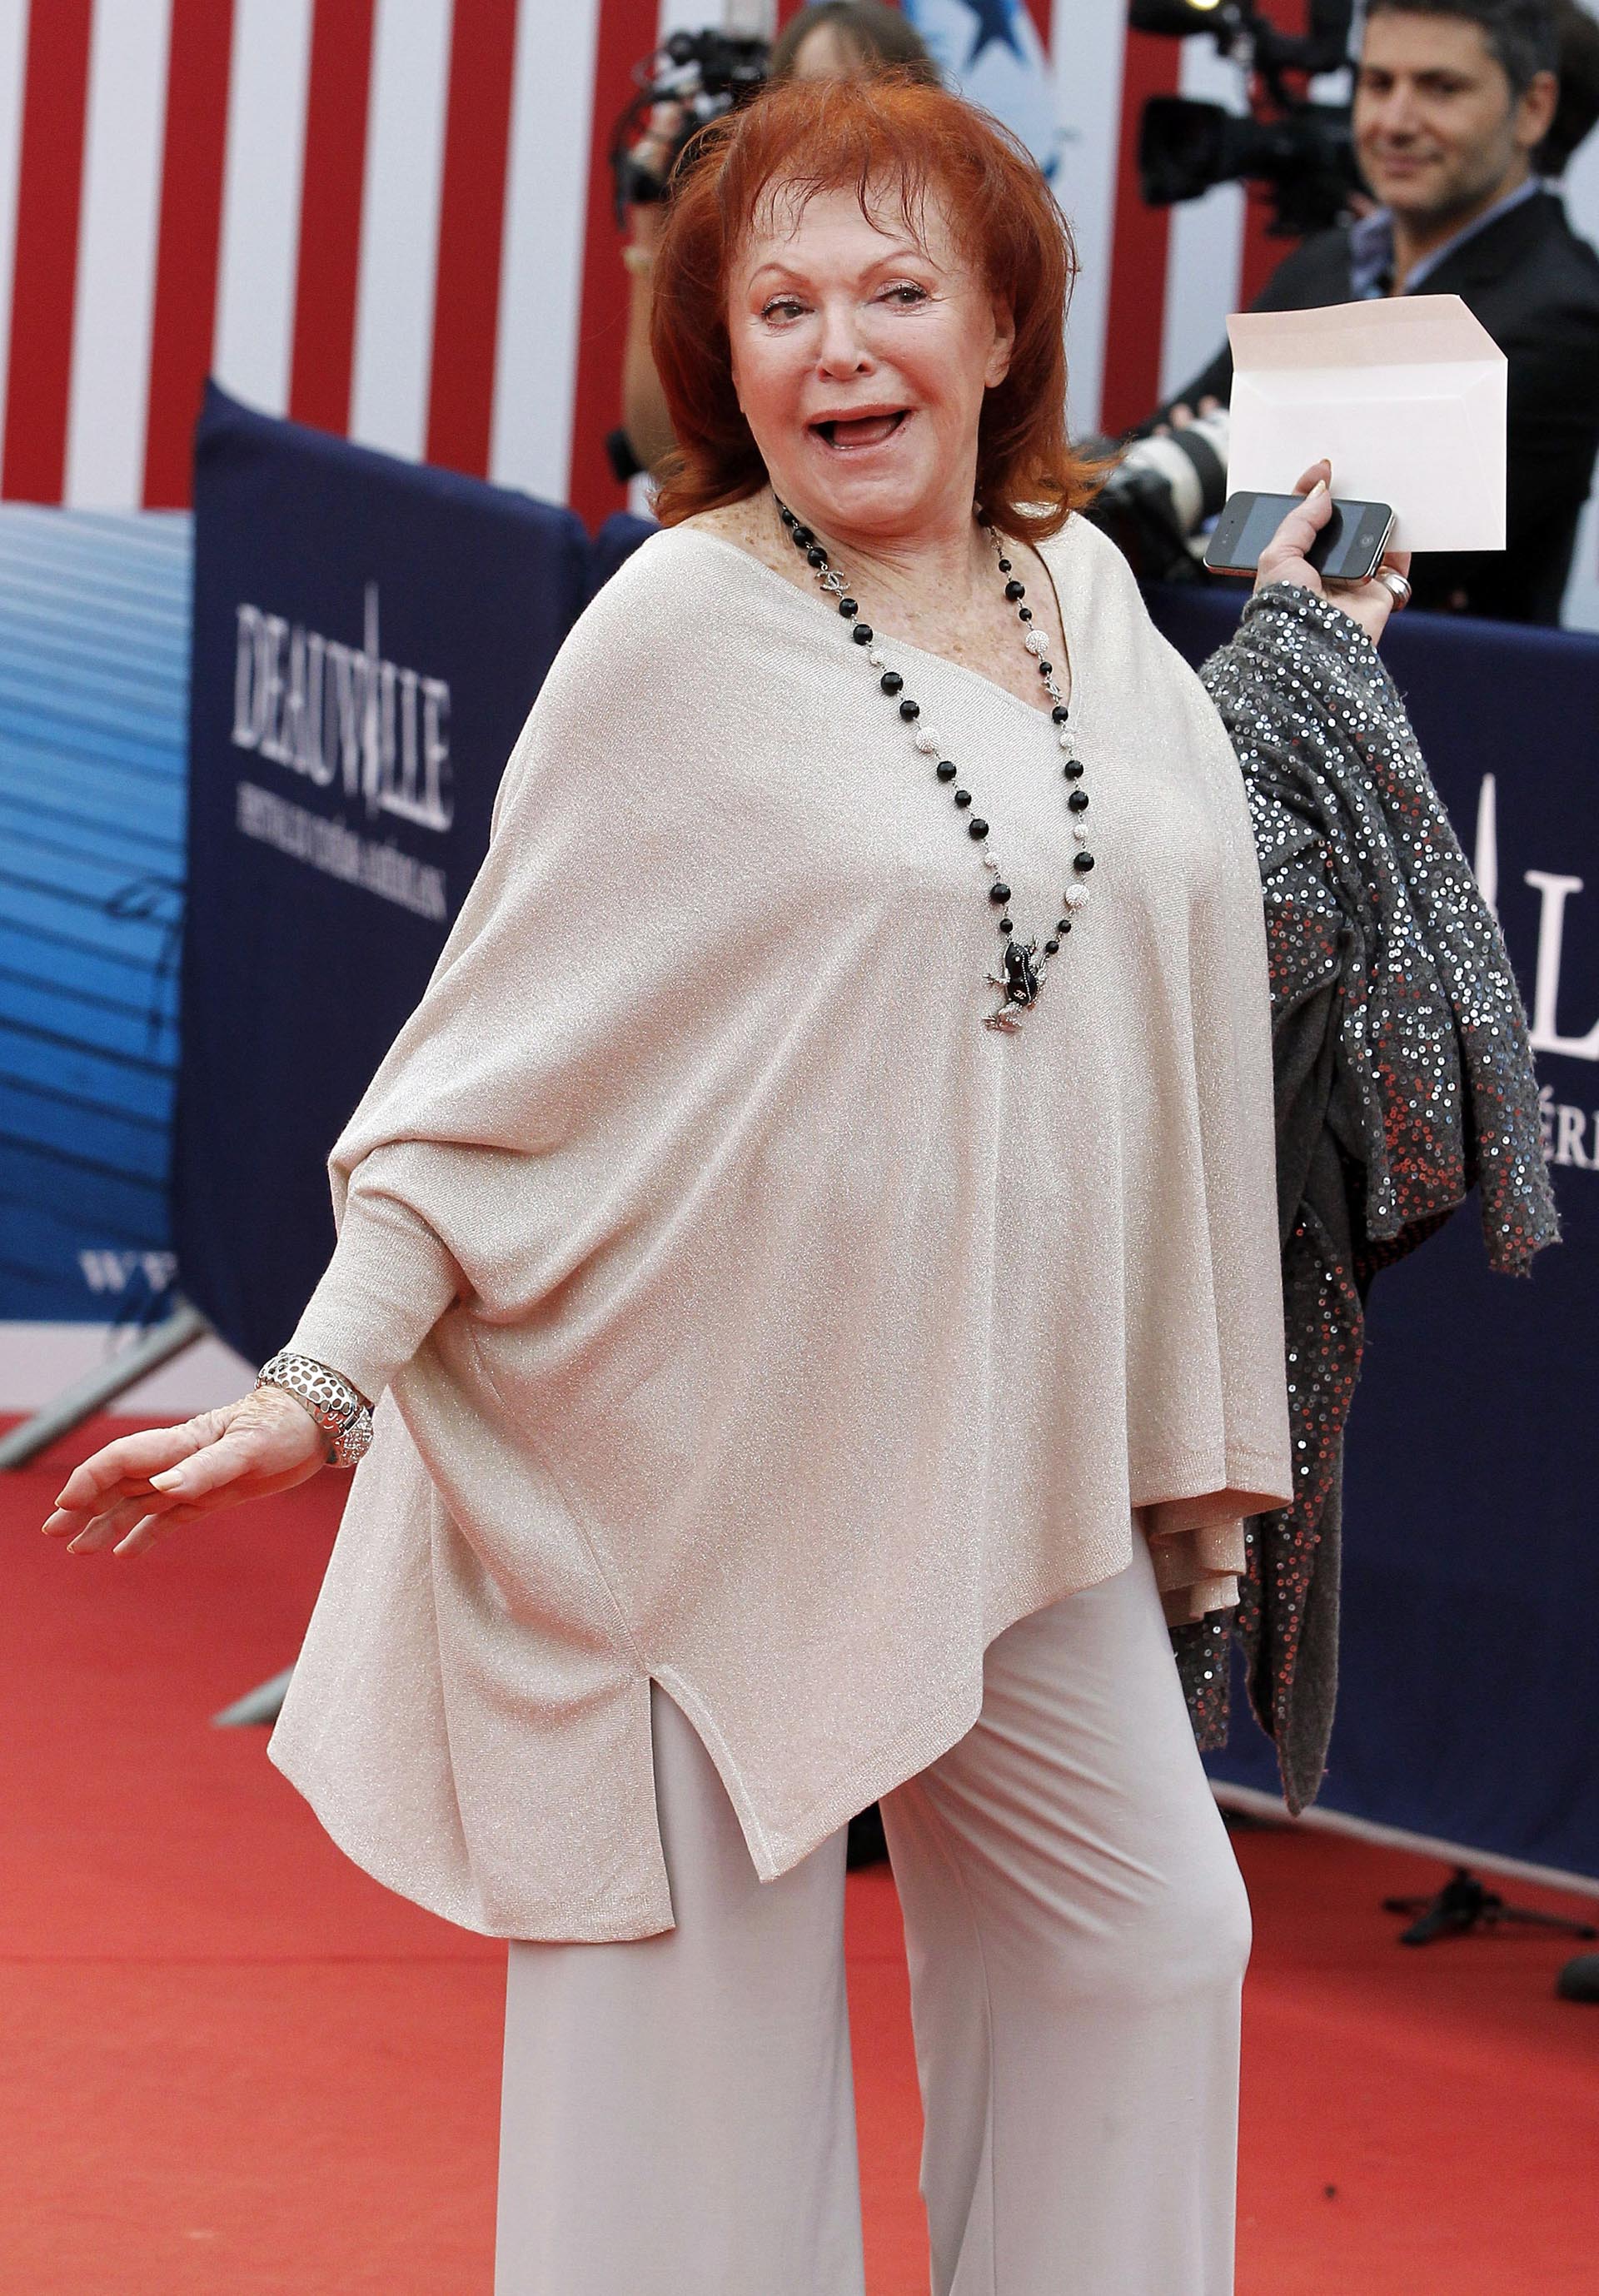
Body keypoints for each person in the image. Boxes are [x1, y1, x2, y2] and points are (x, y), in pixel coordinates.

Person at [43, 72, 1549, 2296]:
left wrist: (1317, 661)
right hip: (695, 1467)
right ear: (722, 355)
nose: (838, 348)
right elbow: (484, 1069)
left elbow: (1146, 898)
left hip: (1012, 1453)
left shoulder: (1093, 603)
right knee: (694, 2100)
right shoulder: (675, 629)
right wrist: (325, 1385)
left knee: (1143, 1939)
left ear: (1006, 331)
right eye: (780, 304)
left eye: (894, 292)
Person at [1156, 0, 1599, 624]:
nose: (1394, 121)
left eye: (1441, 89)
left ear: (1533, 109)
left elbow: (1360, 567)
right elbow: (1154, 454)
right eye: (1377, 83)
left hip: (1446, 706)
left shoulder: (1567, 318)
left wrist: (1196, 493)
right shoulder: (1324, 266)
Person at [613, 1, 937, 482]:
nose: (840, 123)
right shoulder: (754, 248)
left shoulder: (954, 240)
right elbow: (666, 456)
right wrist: (654, 233)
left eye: (863, 98)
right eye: (814, 99)